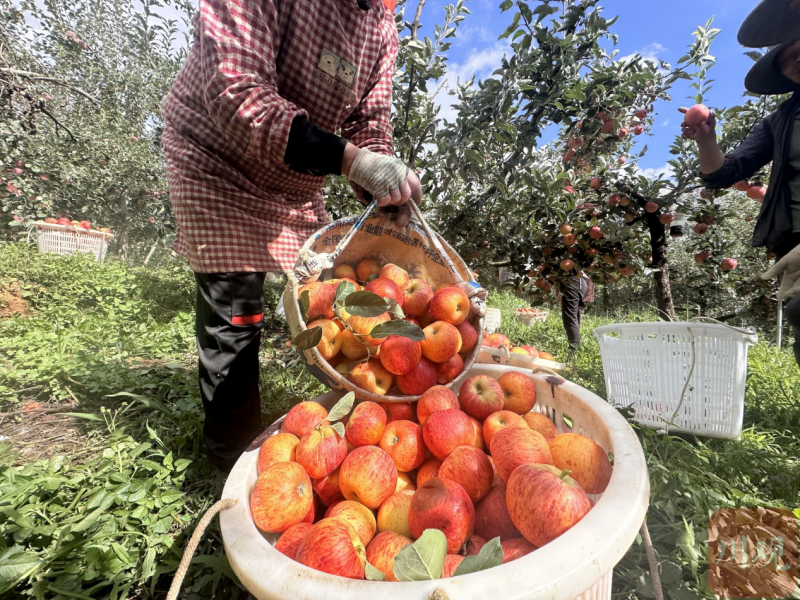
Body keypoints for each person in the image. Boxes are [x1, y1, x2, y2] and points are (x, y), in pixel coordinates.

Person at [162, 0, 421, 474]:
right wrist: (350, 160)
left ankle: (331, 445)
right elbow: (236, 92)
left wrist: (379, 169)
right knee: (239, 315)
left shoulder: (380, 25)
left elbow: (369, 121)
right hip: (219, 163)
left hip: (294, 183)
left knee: (321, 301)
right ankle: (233, 468)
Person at [681, 0, 800, 365]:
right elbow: (723, 173)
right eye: (785, 58)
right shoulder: (780, 120)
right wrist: (705, 138)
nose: (794, 59)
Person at [560, 272, 593, 351]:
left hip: (573, 281)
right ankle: (575, 348)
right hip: (583, 282)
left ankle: (574, 350)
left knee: (570, 318)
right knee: (574, 317)